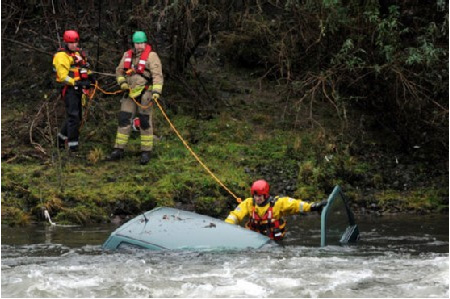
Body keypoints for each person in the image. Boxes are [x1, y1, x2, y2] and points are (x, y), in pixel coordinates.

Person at [108, 31, 164, 165]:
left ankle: (146, 152)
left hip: (145, 94)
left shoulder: (152, 56)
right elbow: (119, 71)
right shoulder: (127, 55)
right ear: (134, 43)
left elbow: (157, 75)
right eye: (137, 43)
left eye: (141, 43)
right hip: (130, 93)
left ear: (145, 43)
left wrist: (156, 91)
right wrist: (122, 83)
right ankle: (118, 149)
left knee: (144, 122)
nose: (139, 46)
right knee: (124, 119)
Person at [225, 179, 327, 240]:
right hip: (254, 239)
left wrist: (312, 206)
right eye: (255, 196)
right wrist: (226, 226)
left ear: (266, 195)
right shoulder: (248, 203)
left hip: (274, 241)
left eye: (260, 196)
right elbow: (235, 215)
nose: (257, 198)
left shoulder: (278, 203)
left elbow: (295, 205)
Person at [53, 30, 94, 152]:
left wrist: (91, 78)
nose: (74, 45)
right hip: (69, 89)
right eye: (71, 43)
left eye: (76, 42)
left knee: (77, 117)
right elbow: (63, 76)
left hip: (79, 89)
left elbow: (84, 68)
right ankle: (73, 146)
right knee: (74, 117)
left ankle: (60, 139)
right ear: (66, 42)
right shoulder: (61, 56)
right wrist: (75, 82)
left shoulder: (78, 54)